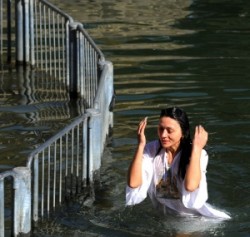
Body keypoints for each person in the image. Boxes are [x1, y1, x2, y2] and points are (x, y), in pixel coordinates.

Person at [126, 107, 231, 219]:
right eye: (161, 129)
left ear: (183, 132)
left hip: (193, 219)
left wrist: (196, 148)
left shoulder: (197, 153)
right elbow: (133, 183)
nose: (163, 135)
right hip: (164, 217)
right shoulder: (151, 149)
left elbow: (191, 186)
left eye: (169, 130)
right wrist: (140, 146)